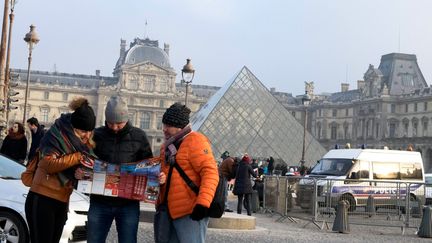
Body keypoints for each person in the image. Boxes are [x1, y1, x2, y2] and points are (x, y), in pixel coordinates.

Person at [24, 97, 96, 243]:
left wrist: (81, 174)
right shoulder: (55, 134)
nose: (87, 135)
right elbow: (48, 164)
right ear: (74, 127)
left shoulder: (83, 144)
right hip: (43, 197)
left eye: (90, 131)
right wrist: (78, 157)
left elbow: (79, 167)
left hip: (63, 199)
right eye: (83, 131)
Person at [85, 96, 154, 243]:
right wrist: (81, 172)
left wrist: (153, 174)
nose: (115, 127)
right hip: (100, 201)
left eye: (119, 123)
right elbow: (85, 161)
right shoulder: (96, 135)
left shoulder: (139, 136)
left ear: (127, 119)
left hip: (128, 204)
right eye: (111, 123)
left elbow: (149, 164)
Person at [156, 102, 219, 242]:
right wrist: (161, 177)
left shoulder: (196, 141)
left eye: (168, 126)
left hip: (190, 210)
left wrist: (202, 204)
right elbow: (166, 171)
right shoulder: (166, 146)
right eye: (164, 125)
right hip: (168, 209)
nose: (164, 129)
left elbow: (210, 173)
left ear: (179, 127)